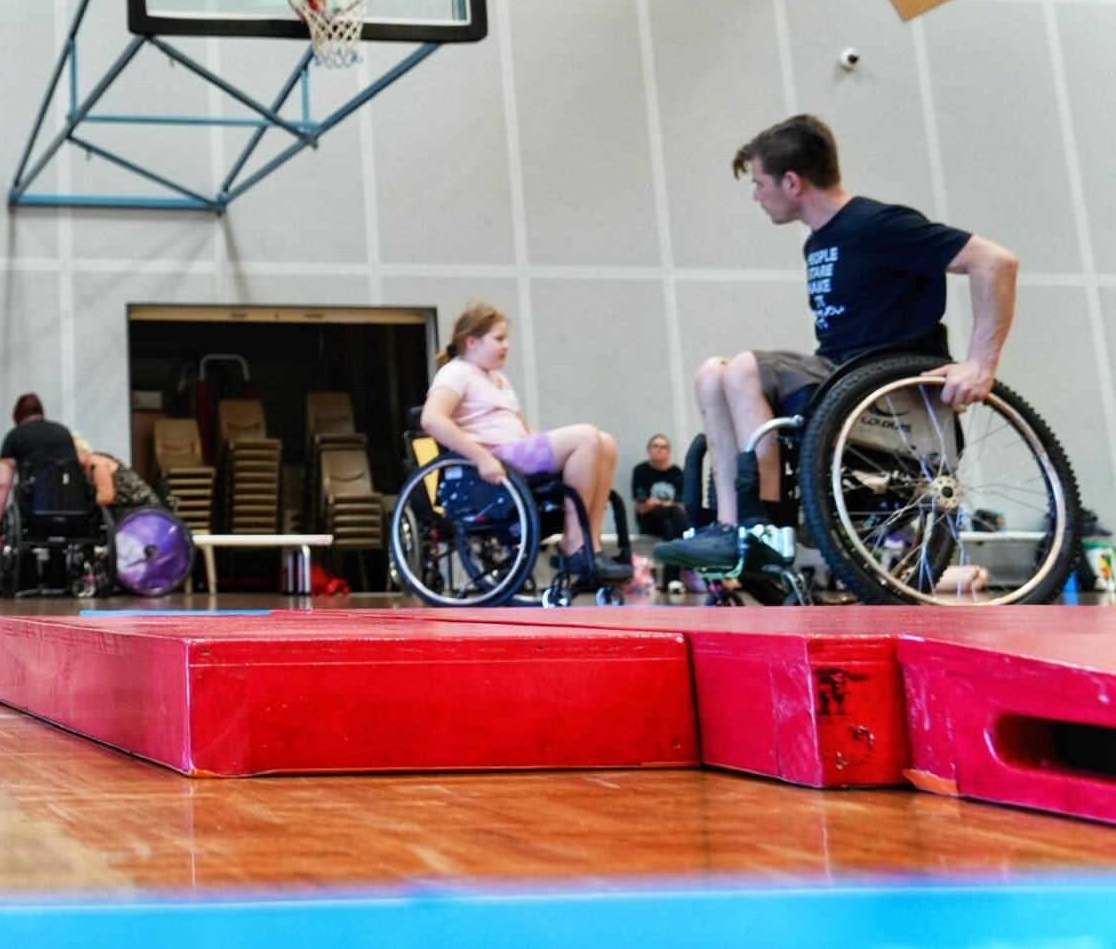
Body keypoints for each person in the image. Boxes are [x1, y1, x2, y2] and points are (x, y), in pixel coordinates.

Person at [653, 115, 1018, 572]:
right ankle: (731, 528)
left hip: (888, 388)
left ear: (791, 182)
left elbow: (995, 262)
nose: (756, 196)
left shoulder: (877, 224)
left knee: (746, 366)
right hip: (841, 381)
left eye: (759, 182)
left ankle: (764, 526)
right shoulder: (818, 242)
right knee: (712, 373)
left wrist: (980, 364)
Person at [422, 304, 631, 591]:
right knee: (586, 436)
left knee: (604, 443)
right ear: (472, 341)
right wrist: (481, 457)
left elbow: (526, 431)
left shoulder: (498, 379)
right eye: (499, 339)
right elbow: (432, 420)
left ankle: (590, 544)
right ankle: (573, 542)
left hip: (516, 454)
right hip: (491, 461)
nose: (506, 346)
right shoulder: (456, 372)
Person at [0, 393, 84, 529]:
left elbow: (2, 484)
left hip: (34, 510)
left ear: (17, 416)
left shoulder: (15, 436)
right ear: (42, 412)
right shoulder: (63, 432)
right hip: (74, 508)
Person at [631, 434, 688, 594]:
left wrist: (660, 503)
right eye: (655, 446)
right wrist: (667, 505)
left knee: (669, 527)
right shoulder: (641, 471)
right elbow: (642, 507)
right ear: (648, 450)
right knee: (675, 513)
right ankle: (690, 542)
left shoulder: (677, 472)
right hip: (649, 521)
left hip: (670, 522)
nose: (658, 450)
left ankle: (672, 582)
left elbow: (683, 503)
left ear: (668, 451)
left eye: (663, 447)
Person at [82, 443, 160, 513]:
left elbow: (105, 497)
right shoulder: (87, 465)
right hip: (129, 511)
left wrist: (78, 501)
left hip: (144, 513)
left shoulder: (96, 462)